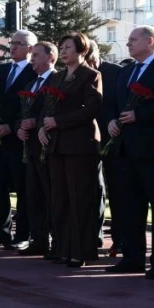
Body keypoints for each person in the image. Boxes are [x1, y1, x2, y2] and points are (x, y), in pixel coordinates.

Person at [105, 26, 154, 280]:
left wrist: (140, 115)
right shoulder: (126, 71)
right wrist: (111, 121)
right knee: (129, 206)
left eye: (133, 39)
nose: (127, 44)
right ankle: (132, 257)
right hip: (125, 149)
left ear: (150, 41)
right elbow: (113, 103)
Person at [38, 32, 102, 268]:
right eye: (61, 47)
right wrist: (42, 128)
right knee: (60, 198)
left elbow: (92, 108)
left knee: (79, 198)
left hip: (79, 144)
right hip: (56, 144)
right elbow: (47, 105)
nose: (63, 51)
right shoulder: (58, 77)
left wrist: (58, 122)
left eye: (68, 47)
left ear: (81, 50)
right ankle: (62, 248)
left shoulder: (91, 75)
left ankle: (81, 251)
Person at [0, 30, 38, 249]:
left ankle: (23, 233)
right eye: (11, 42)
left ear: (30, 49)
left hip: (18, 139)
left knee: (23, 188)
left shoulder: (34, 72)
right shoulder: (1, 70)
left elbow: (31, 105)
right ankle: (2, 231)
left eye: (19, 43)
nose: (12, 47)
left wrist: (12, 127)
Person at [16, 42, 58, 257]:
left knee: (50, 194)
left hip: (48, 146)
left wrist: (37, 123)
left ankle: (55, 240)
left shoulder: (57, 80)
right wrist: (19, 129)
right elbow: (21, 113)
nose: (31, 59)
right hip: (30, 146)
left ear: (51, 58)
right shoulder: (31, 83)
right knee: (34, 195)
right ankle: (38, 238)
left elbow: (55, 110)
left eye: (37, 55)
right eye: (31, 55)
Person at [87, 40, 122, 256]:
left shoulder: (115, 72)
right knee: (90, 190)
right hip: (85, 140)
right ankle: (91, 236)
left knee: (117, 192)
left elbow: (120, 103)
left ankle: (119, 238)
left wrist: (113, 121)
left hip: (112, 139)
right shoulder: (75, 75)